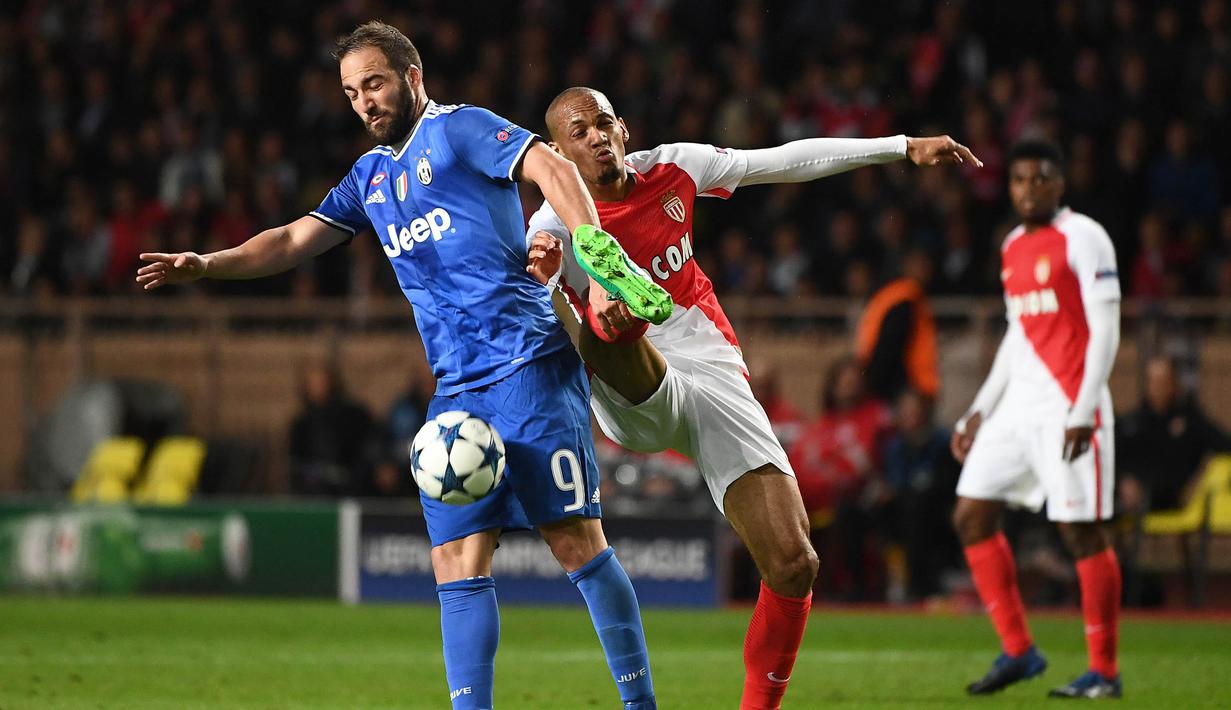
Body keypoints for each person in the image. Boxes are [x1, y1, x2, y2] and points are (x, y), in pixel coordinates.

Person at [135, 23, 661, 710]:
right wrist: (209, 264)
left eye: (374, 84)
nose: (364, 102)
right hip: (455, 393)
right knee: (454, 562)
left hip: (528, 363)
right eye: (352, 92)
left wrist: (592, 247)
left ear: (412, 77)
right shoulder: (369, 177)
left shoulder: (461, 130)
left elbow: (553, 169)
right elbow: (293, 237)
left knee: (574, 543)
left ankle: (639, 704)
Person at [524, 86, 979, 710]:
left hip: (711, 373)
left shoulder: (675, 167)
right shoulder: (547, 226)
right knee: (603, 311)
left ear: (624, 130)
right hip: (631, 385)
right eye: (578, 132)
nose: (596, 136)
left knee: (794, 563)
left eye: (603, 123)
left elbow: (786, 159)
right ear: (557, 153)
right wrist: (548, 289)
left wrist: (902, 147)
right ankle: (612, 304)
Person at [950, 140, 1123, 699]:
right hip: (1018, 408)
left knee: (1080, 531)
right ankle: (1020, 651)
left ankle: (1104, 671)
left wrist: (1085, 408)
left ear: (1060, 184)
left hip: (1069, 405)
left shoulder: (1085, 236)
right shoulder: (1011, 246)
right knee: (971, 515)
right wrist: (979, 409)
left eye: (1041, 178)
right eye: (1020, 180)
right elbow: (1017, 335)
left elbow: (1106, 328)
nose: (1029, 189)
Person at [1117, 355, 1231, 512]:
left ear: (1174, 384)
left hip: (1167, 499)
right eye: (1153, 381)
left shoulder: (1191, 421)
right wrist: (1122, 480)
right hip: (1123, 495)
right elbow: (1113, 457)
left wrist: (1201, 482)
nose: (1157, 387)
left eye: (1163, 381)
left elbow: (1224, 444)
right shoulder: (1131, 423)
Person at [854, 247, 940, 403]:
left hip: (887, 383)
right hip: (901, 389)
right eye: (918, 264)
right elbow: (889, 348)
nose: (924, 269)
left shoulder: (892, 295)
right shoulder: (903, 300)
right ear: (905, 265)